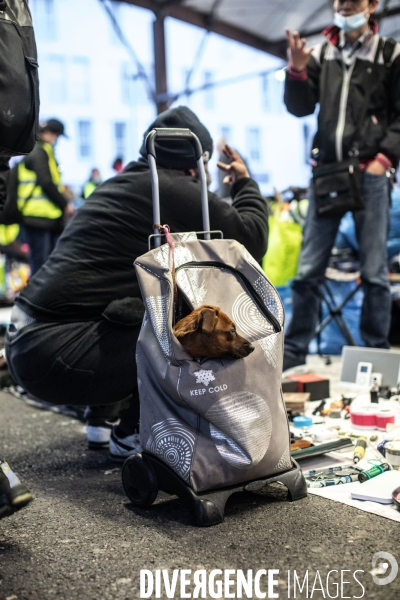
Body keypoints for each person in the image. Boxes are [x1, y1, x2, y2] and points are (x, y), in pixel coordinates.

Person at [5, 106, 269, 462]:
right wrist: (245, 183)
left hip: (32, 343)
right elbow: (251, 238)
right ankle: (135, 431)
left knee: (140, 299)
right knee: (189, 325)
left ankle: (104, 420)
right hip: (55, 351)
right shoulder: (174, 188)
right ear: (195, 165)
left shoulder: (119, 185)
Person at [283, 0, 400, 371]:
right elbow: (300, 107)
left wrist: (384, 161)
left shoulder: (390, 53)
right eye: (339, 1)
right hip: (328, 174)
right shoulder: (322, 55)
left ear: (372, 6)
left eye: (352, 2)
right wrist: (297, 72)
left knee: (374, 272)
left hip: (370, 174)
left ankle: (377, 354)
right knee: (307, 271)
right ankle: (294, 351)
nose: (344, 6)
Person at [17, 119, 74, 276]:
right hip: (37, 217)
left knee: (43, 262)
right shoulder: (39, 152)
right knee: (41, 264)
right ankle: (35, 299)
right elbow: (46, 182)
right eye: (57, 136)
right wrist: (64, 204)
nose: (57, 141)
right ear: (49, 133)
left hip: (42, 217)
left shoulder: (40, 151)